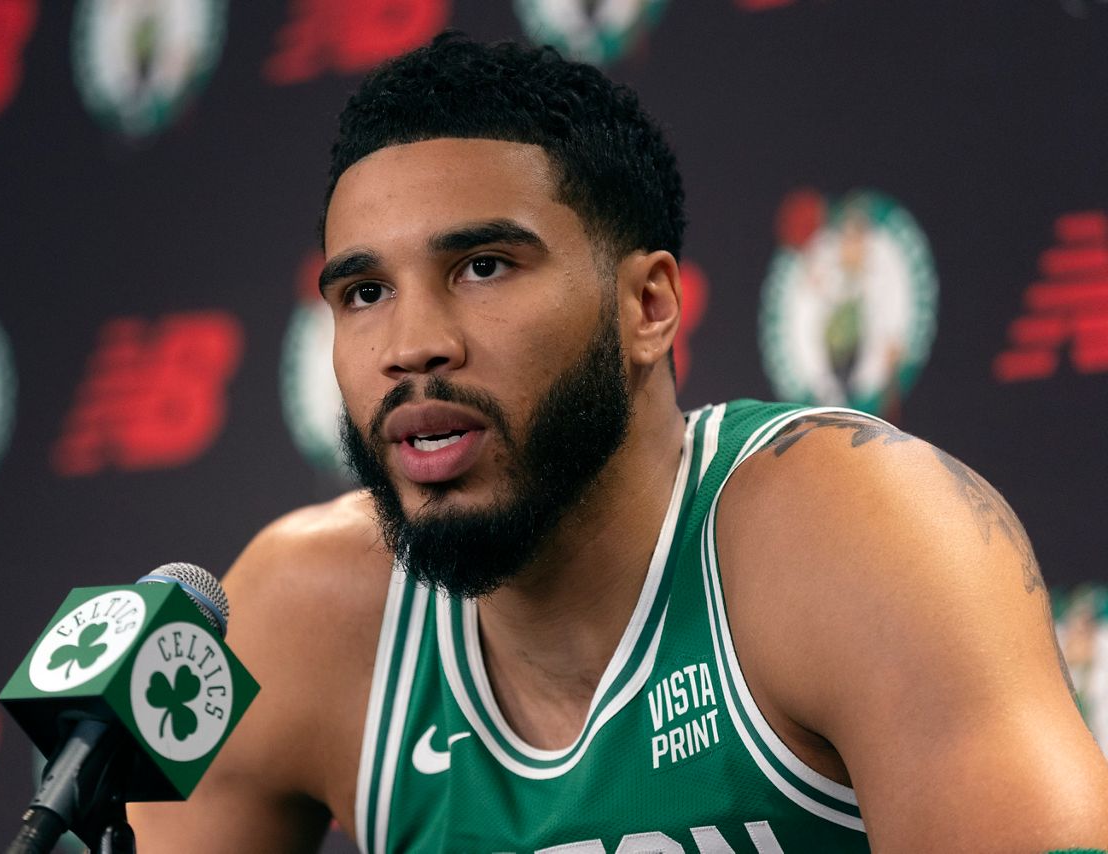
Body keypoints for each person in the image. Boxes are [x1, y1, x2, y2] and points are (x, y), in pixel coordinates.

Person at [129, 33, 1108, 852]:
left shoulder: (854, 533)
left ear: (646, 305)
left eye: (480, 265)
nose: (411, 343)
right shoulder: (301, 615)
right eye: (364, 293)